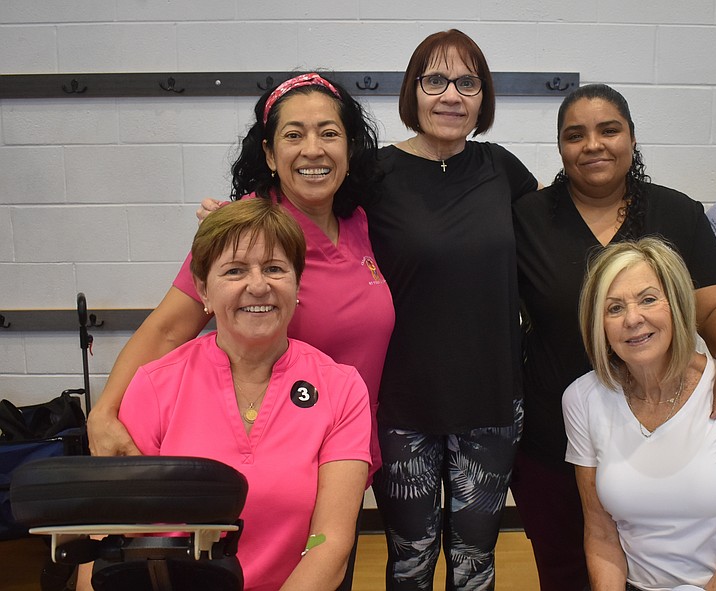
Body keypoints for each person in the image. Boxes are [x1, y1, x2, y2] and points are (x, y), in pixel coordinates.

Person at [86, 72, 394, 590]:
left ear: (350, 147)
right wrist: (105, 412)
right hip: (255, 451)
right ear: (270, 155)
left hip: (335, 453)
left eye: (329, 132)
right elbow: (165, 332)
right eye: (293, 135)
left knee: (325, 556)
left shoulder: (360, 222)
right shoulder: (245, 231)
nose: (313, 149)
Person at [511, 83, 716, 590]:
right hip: (556, 432)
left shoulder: (676, 214)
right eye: (575, 134)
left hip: (664, 418)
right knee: (571, 567)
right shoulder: (527, 219)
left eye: (609, 130)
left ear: (632, 138)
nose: (593, 144)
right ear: (560, 147)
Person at [112, 197, 370, 591]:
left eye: (274, 268)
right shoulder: (154, 385)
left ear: (297, 283)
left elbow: (329, 543)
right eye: (234, 271)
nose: (258, 285)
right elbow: (112, 535)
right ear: (204, 291)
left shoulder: (342, 388)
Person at [363, 30, 539, 590]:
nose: (451, 95)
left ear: (483, 96)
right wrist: (241, 208)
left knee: (475, 561)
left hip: (491, 397)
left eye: (468, 82)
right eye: (435, 80)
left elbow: (556, 241)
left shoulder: (502, 170)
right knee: (410, 559)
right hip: (402, 404)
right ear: (412, 92)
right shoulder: (375, 174)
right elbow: (305, 218)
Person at [563, 236, 716, 591]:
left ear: (677, 305)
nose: (633, 319)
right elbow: (601, 536)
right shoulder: (582, 399)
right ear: (598, 324)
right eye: (614, 308)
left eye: (648, 299)